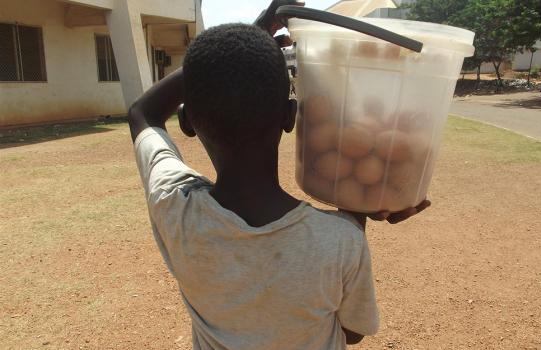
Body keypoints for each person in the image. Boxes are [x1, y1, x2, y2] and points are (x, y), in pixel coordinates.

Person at [128, 6, 430, 350]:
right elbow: (352, 332)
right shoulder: (341, 241)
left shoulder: (173, 207)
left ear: (187, 122)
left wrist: (234, 49)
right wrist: (357, 210)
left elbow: (143, 112)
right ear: (290, 117)